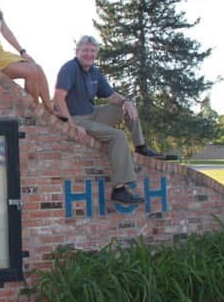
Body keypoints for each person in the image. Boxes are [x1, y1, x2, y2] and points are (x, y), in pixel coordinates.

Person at [53, 35, 166, 205]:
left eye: (92, 51)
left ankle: (141, 147)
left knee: (127, 108)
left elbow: (111, 96)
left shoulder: (94, 72)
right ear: (77, 52)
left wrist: (126, 101)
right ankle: (119, 190)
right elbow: (58, 97)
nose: (89, 54)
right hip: (77, 118)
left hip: (92, 114)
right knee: (118, 136)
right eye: (85, 50)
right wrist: (72, 124)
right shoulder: (69, 69)